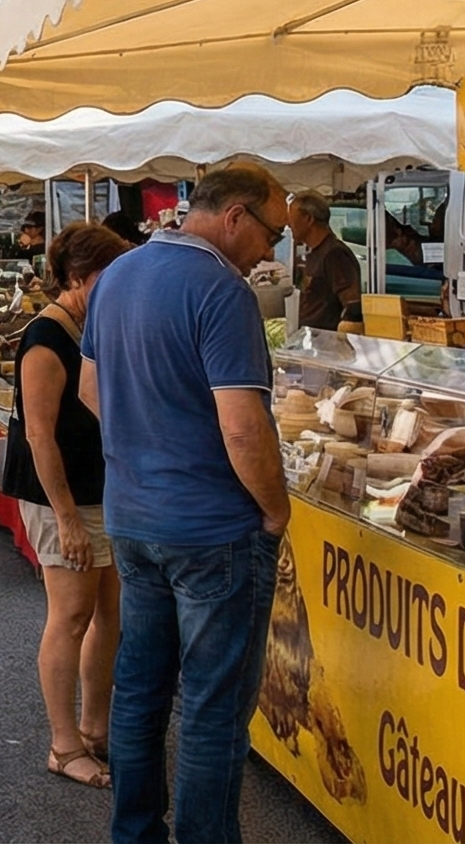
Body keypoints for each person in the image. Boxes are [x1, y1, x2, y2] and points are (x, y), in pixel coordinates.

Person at [80, 164, 291, 842]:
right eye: (272, 232)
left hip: (135, 514)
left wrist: (146, 440)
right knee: (211, 704)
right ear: (234, 216)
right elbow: (241, 424)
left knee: (140, 689)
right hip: (210, 526)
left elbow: (90, 390)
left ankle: (135, 831)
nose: (273, 250)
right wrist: (276, 508)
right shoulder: (222, 290)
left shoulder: (119, 273)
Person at [4, 222, 133, 791]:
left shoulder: (90, 326)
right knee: (72, 615)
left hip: (98, 490)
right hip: (63, 497)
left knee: (111, 613)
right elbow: (39, 435)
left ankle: (94, 727)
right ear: (79, 278)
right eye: (110, 275)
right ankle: (63, 744)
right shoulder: (45, 338)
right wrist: (66, 519)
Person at [287, 193, 362, 334]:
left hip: (327, 347)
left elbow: (353, 307)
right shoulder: (312, 253)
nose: (288, 224)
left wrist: (340, 343)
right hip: (309, 343)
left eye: (291, 218)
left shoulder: (335, 254)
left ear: (309, 219)